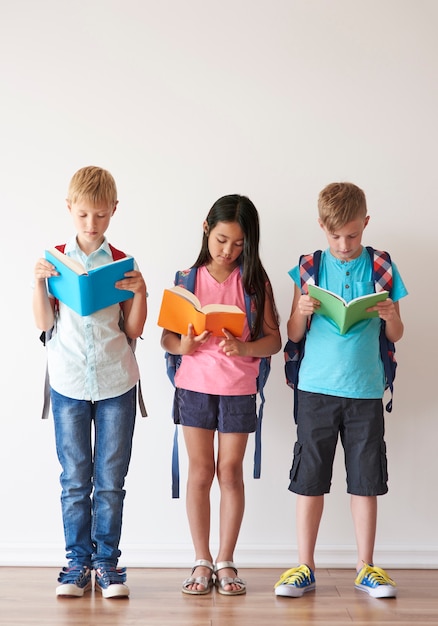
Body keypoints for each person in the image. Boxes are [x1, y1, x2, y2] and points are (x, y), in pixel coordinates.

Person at [274, 182, 407, 600]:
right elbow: (292, 336)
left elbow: (398, 332)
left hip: (365, 390)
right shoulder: (309, 268)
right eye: (335, 236)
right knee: (309, 479)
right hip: (314, 389)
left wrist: (387, 315)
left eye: (352, 235)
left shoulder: (382, 266)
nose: (344, 244)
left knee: (366, 481)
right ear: (321, 227)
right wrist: (300, 311)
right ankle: (304, 566)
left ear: (365, 223)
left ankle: (366, 566)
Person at [33, 166, 147, 598]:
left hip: (117, 380)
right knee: (75, 479)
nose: (91, 224)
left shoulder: (121, 262)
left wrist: (141, 292)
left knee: (111, 479)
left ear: (113, 211)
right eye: (82, 215)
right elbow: (44, 325)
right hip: (68, 382)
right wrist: (40, 284)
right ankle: (77, 563)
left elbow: (134, 331)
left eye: (100, 216)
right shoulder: (55, 261)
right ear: (69, 209)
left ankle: (107, 564)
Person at [161, 194, 281, 596]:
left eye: (239, 244)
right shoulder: (185, 280)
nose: (229, 251)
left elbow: (273, 341)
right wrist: (185, 347)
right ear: (206, 229)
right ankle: (201, 560)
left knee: (229, 473)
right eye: (222, 240)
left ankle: (226, 560)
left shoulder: (254, 283)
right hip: (194, 388)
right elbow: (167, 338)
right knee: (200, 473)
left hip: (238, 391)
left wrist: (245, 348)